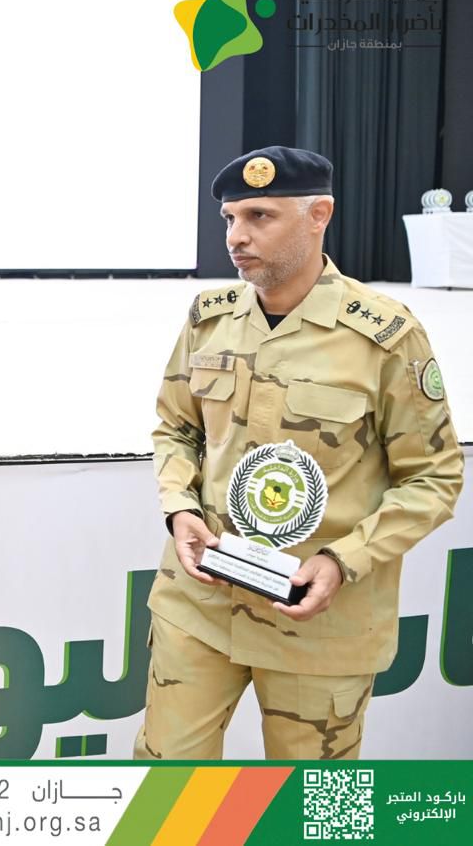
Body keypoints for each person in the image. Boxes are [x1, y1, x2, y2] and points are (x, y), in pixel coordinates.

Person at [136, 146, 463, 759]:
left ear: (319, 215)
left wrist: (343, 560)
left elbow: (435, 476)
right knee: (164, 788)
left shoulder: (385, 336)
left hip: (318, 619)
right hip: (201, 603)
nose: (236, 236)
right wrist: (179, 508)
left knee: (316, 804)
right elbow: (176, 428)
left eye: (259, 216)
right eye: (230, 218)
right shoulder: (209, 319)